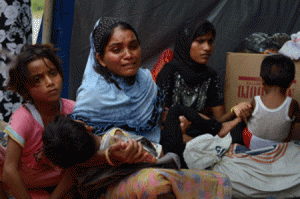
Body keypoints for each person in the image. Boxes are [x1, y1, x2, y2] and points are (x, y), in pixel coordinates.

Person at [66, 17, 233, 198]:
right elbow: (75, 158)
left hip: (151, 161)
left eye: (133, 46)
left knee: (218, 178)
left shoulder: (145, 82)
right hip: (105, 177)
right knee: (157, 184)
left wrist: (176, 125)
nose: (128, 54)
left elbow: (157, 124)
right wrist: (111, 156)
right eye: (116, 50)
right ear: (101, 59)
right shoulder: (91, 96)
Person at [156, 18, 251, 148]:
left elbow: (219, 122)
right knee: (170, 137)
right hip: (176, 131)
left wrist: (235, 111)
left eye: (210, 42)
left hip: (203, 132)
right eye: (200, 41)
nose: (207, 48)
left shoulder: (211, 76)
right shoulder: (170, 71)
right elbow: (162, 117)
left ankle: (201, 146)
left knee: (238, 127)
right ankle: (204, 147)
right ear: (186, 43)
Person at [0, 44, 77, 198]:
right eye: (37, 79)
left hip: (59, 187)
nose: (49, 82)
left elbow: (77, 166)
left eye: (53, 73)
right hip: (20, 186)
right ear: (25, 88)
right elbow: (10, 170)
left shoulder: (74, 111)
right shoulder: (24, 118)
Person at [242, 54, 300, 149]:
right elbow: (298, 119)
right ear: (290, 83)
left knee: (245, 128)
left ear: (262, 81)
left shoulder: (256, 100)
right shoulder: (292, 104)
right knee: (292, 122)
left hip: (252, 144)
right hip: (279, 146)